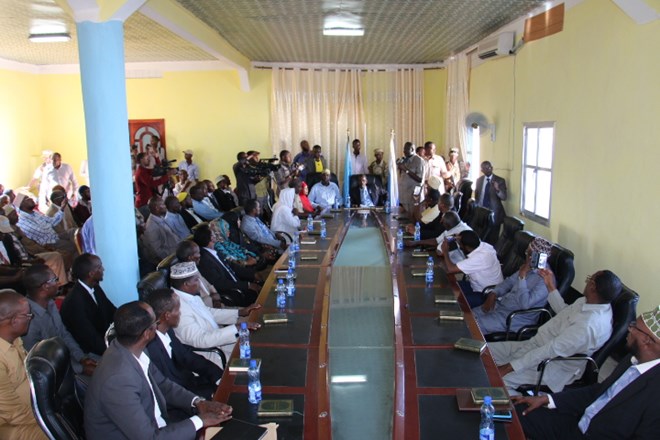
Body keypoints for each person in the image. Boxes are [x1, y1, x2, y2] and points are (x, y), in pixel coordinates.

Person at [84, 301, 232, 439]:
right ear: (147, 334)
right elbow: (149, 437)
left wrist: (198, 403)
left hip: (159, 427)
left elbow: (163, 384)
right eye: (155, 323)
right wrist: (200, 421)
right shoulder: (118, 379)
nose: (158, 326)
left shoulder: (133, 348)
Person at [512, 306, 660, 440]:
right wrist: (548, 399)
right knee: (514, 410)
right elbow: (599, 392)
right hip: (577, 425)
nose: (629, 329)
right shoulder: (632, 359)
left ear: (646, 340)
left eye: (634, 327)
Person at [490, 270, 622, 394]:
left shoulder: (589, 326)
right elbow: (564, 311)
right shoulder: (589, 302)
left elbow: (550, 350)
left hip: (551, 365)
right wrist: (549, 285)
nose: (586, 282)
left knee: (496, 380)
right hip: (535, 345)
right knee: (485, 352)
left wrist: (509, 367)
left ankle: (514, 406)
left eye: (589, 279)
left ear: (593, 286)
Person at [169, 262, 260, 365]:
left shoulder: (188, 295)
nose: (200, 283)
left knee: (257, 346)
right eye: (196, 280)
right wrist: (236, 328)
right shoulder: (177, 308)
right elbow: (200, 340)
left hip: (218, 342)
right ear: (186, 284)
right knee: (256, 361)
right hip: (210, 356)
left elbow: (209, 312)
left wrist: (240, 312)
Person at [145, 288, 222, 401]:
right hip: (183, 398)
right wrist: (208, 395)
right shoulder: (152, 349)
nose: (180, 313)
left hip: (190, 383)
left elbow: (187, 356)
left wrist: (217, 376)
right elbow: (170, 390)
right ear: (167, 315)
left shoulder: (168, 331)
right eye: (177, 309)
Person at [22, 264, 98, 376]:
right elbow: (41, 361)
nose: (59, 283)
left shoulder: (50, 303)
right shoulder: (27, 320)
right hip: (53, 373)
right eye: (55, 279)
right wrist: (80, 369)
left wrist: (81, 358)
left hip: (69, 360)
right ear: (45, 286)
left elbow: (63, 334)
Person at [473, 237, 553, 334]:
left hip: (514, 318)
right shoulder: (528, 267)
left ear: (537, 257)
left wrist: (522, 277)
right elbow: (508, 282)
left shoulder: (545, 279)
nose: (526, 256)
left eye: (528, 254)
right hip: (501, 306)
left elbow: (525, 305)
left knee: (472, 326)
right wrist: (494, 293)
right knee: (467, 316)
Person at [0, 289, 48, 440]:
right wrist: (48, 417)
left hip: (33, 411)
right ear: (14, 321)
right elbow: (12, 413)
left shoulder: (15, 339)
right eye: (28, 315)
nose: (30, 318)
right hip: (13, 426)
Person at [60, 253, 116, 356]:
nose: (103, 269)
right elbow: (89, 336)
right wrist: (112, 352)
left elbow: (112, 311)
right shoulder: (74, 302)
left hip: (104, 343)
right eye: (99, 267)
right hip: (89, 353)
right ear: (91, 273)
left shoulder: (95, 287)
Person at [193, 225, 260, 306]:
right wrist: (247, 285)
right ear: (211, 238)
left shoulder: (213, 251)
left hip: (238, 284)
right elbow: (220, 283)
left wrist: (252, 274)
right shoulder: (205, 260)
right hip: (233, 293)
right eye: (213, 233)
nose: (216, 234)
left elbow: (232, 266)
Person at [0, 211, 68, 285]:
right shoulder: (8, 237)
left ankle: (60, 285)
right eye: (2, 233)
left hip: (22, 263)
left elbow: (16, 259)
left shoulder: (7, 238)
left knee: (56, 255)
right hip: (11, 274)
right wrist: (15, 277)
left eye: (5, 233)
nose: (3, 235)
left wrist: (31, 261)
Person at [440, 229, 503, 307]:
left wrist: (445, 251)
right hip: (475, 285)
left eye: (460, 245)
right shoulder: (484, 246)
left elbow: (451, 269)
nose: (459, 246)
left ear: (467, 247)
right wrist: (459, 237)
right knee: (448, 286)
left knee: (453, 302)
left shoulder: (479, 258)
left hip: (486, 293)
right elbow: (469, 241)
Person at [15, 190, 77, 259]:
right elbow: (42, 231)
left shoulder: (35, 213)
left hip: (54, 236)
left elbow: (51, 221)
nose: (31, 199)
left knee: (74, 232)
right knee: (73, 246)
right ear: (21, 205)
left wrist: (62, 208)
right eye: (27, 199)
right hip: (49, 243)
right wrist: (49, 224)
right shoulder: (22, 221)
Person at [175, 241, 223, 308]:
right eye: (198, 253)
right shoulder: (185, 277)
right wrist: (212, 300)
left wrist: (216, 296)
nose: (200, 255)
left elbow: (209, 285)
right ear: (190, 257)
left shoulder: (195, 268)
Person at [474, 161, 507, 242]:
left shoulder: (500, 180)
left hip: (494, 214)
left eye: (489, 168)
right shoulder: (479, 180)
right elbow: (477, 196)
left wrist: (497, 189)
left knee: (493, 238)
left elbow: (504, 197)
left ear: (492, 168)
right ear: (482, 170)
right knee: (481, 236)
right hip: (482, 212)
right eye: (484, 168)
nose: (488, 170)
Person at [142, 196, 181, 266]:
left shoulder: (161, 217)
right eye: (163, 204)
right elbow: (157, 251)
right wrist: (174, 257)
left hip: (178, 250)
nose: (166, 206)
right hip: (173, 258)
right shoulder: (151, 227)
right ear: (157, 208)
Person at [397, 142, 424, 214]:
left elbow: (420, 179)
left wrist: (405, 169)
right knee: (403, 217)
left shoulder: (418, 160)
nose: (404, 151)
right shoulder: (404, 159)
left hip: (412, 195)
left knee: (411, 216)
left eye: (406, 149)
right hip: (403, 194)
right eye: (404, 149)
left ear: (412, 149)